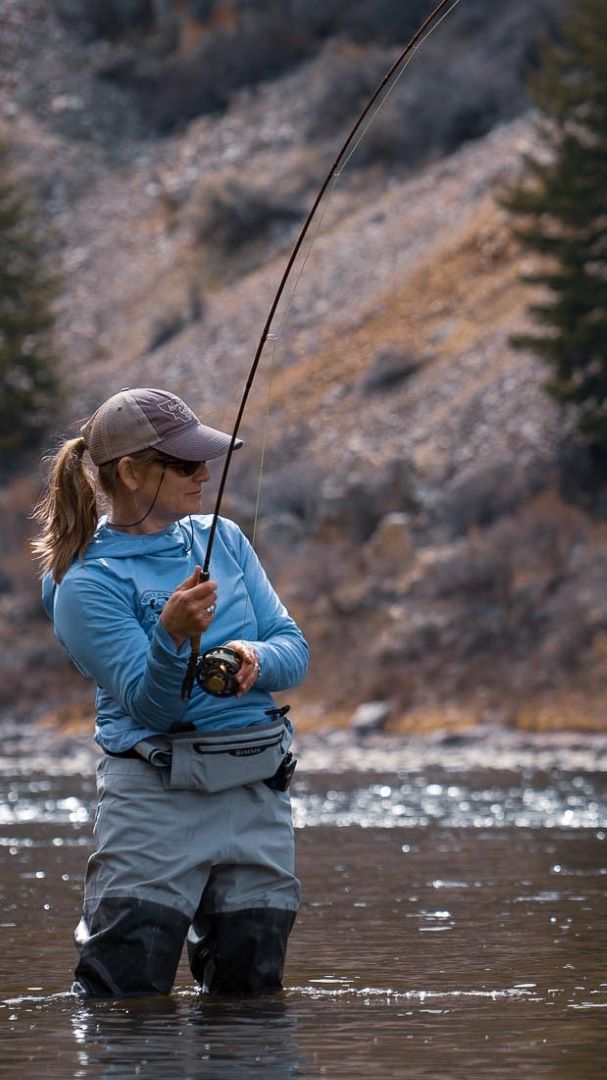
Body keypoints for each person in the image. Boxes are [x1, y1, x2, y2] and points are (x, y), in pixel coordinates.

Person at [32, 386, 308, 998]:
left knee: (253, 1007)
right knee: (123, 1002)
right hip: (153, 801)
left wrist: (252, 657)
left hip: (255, 791)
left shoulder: (225, 540)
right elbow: (150, 705)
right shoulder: (84, 584)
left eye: (203, 459)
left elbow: (295, 650)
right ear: (130, 472)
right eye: (184, 464)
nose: (204, 474)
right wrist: (170, 637)